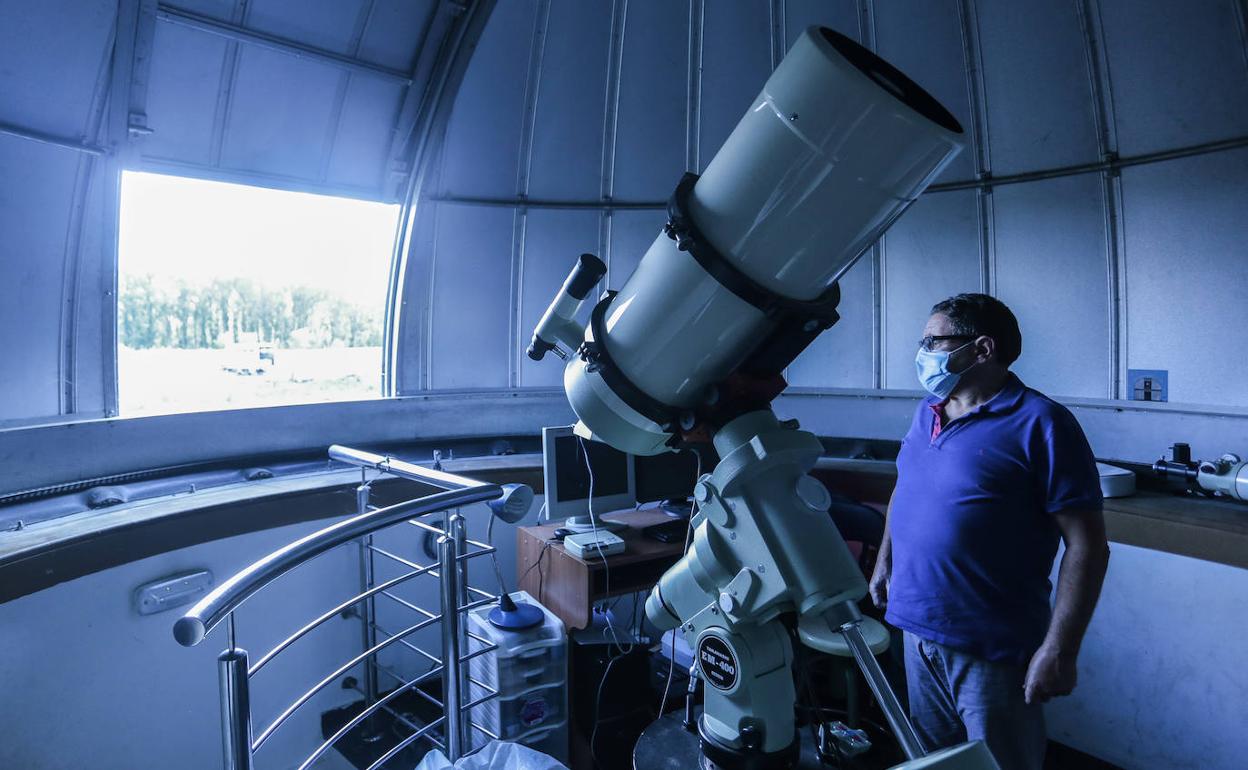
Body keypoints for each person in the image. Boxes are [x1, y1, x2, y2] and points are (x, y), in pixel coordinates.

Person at [869, 293, 1110, 770]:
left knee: (999, 763)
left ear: (981, 348)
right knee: (937, 763)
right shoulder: (929, 410)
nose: (923, 352)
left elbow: (1087, 545)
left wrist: (1060, 649)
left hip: (991, 644)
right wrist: (884, 561)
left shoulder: (1042, 423)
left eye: (934, 341)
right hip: (916, 628)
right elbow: (906, 485)